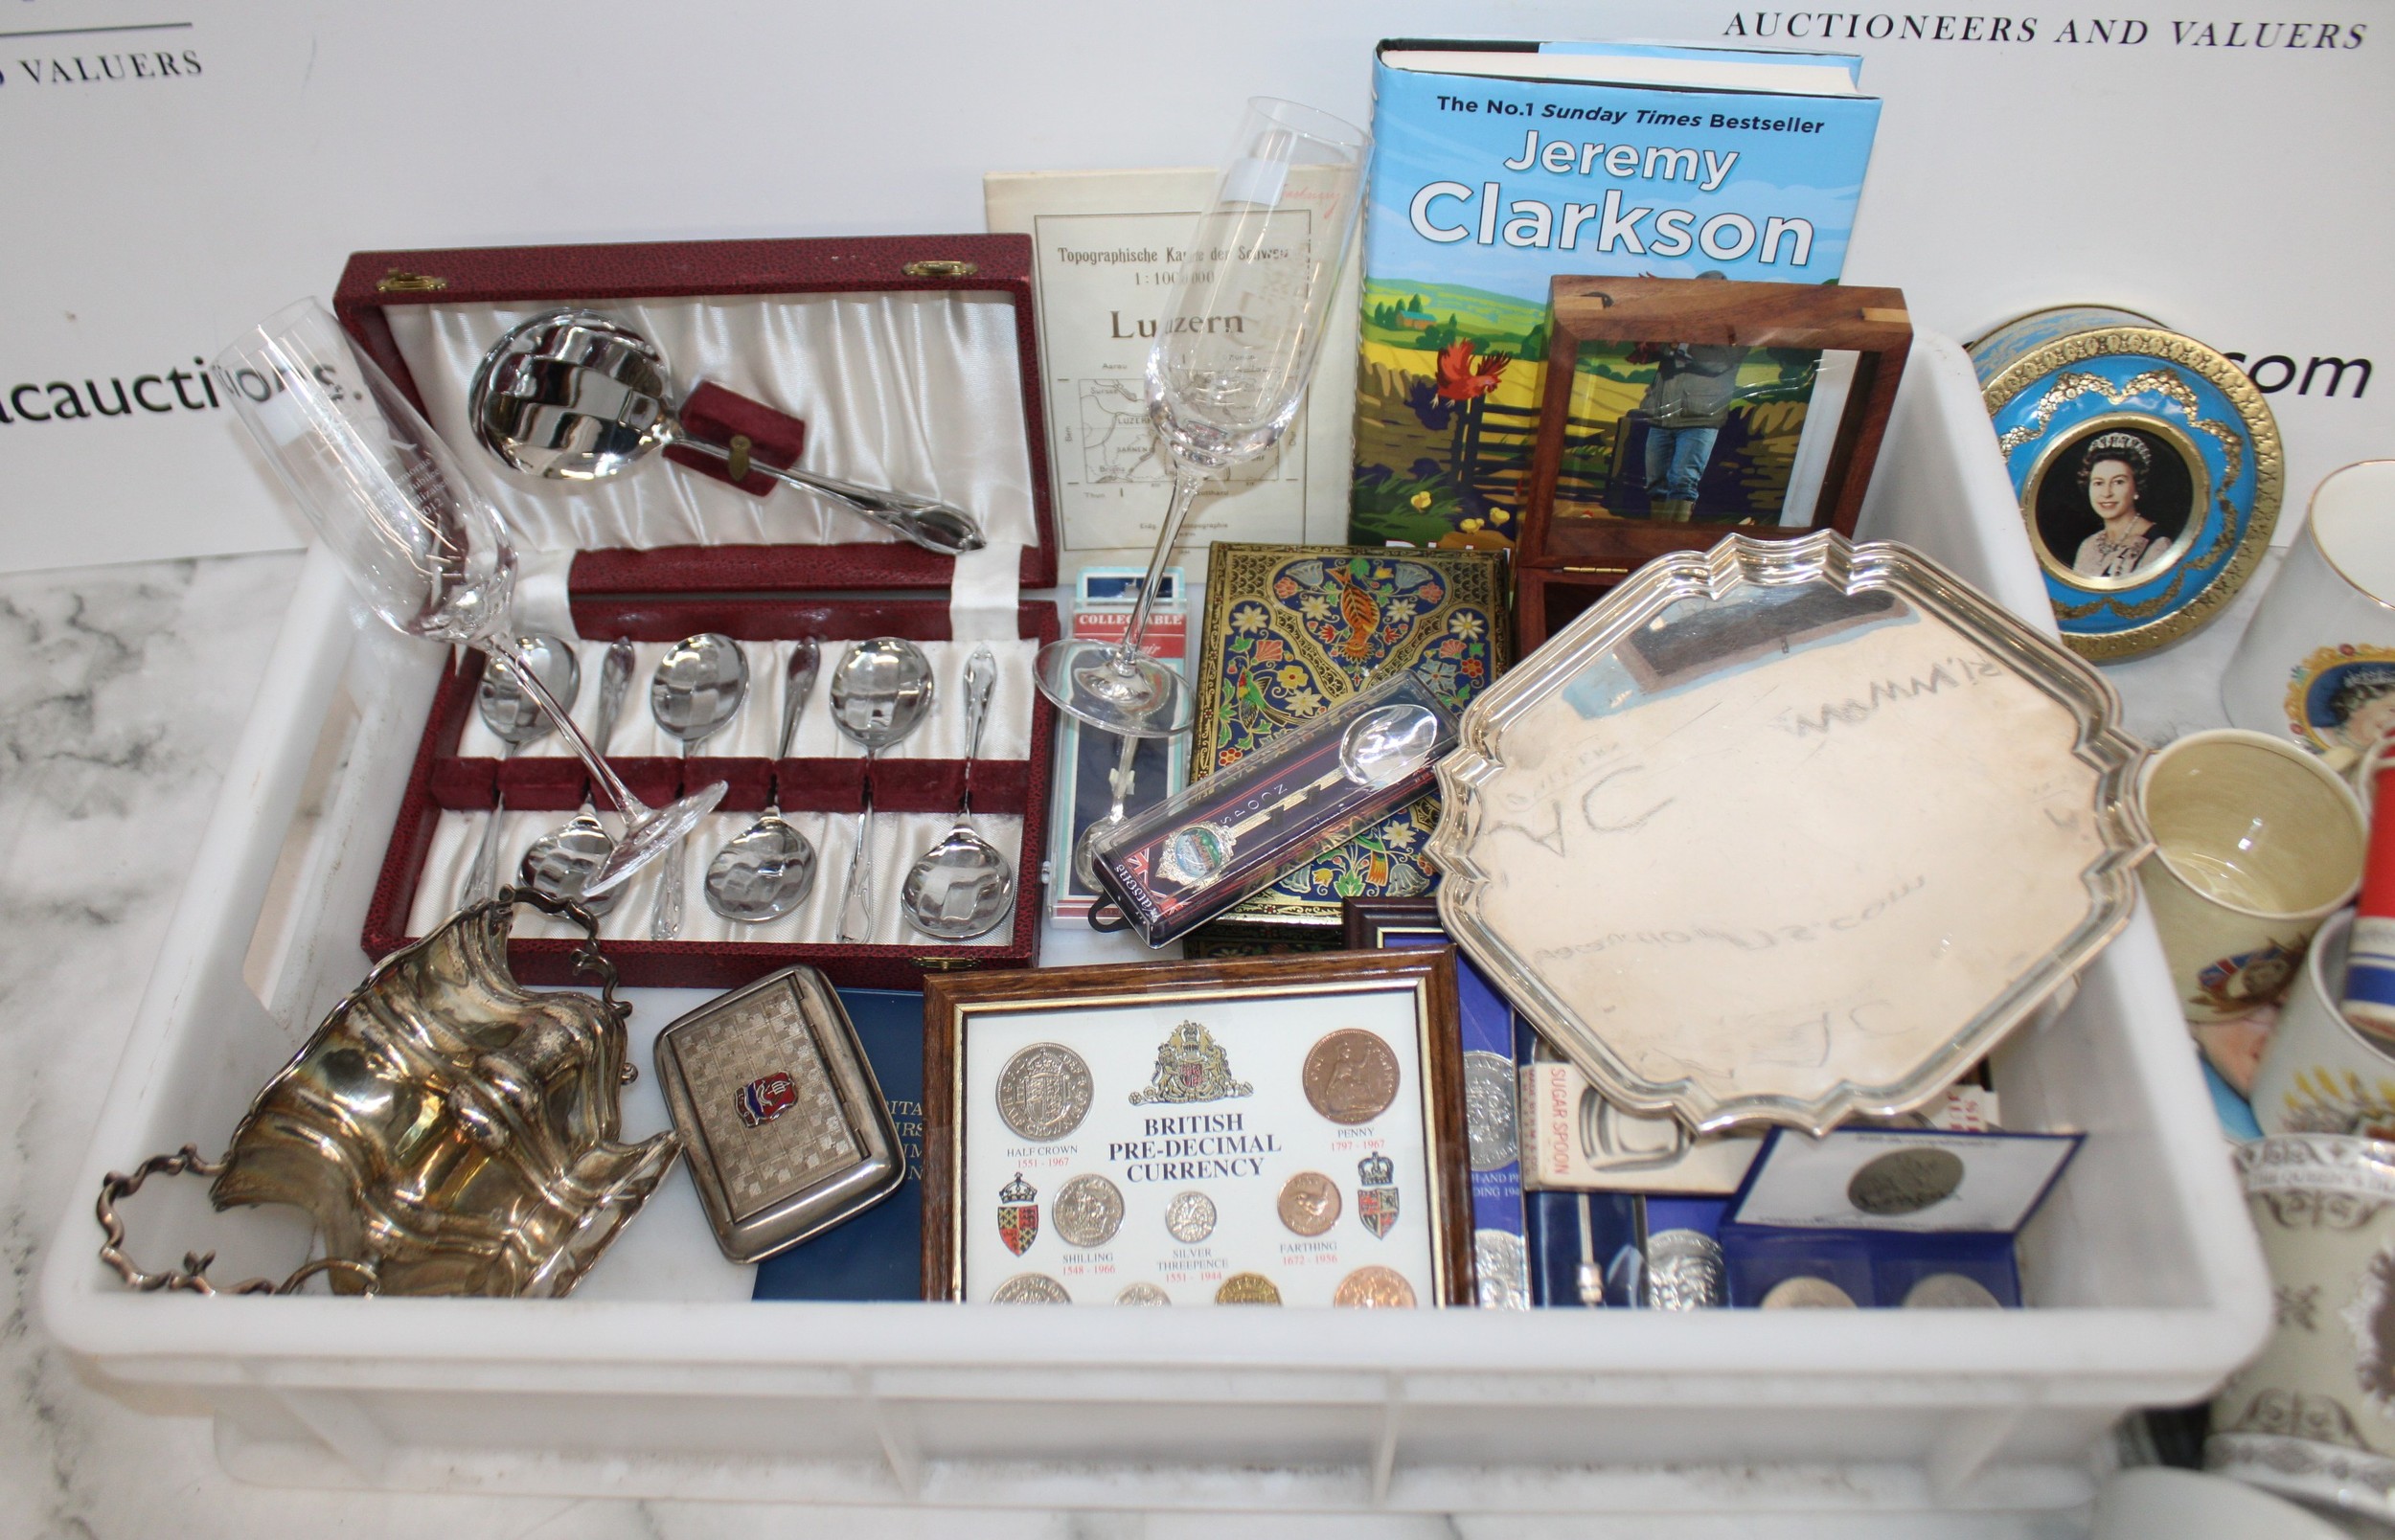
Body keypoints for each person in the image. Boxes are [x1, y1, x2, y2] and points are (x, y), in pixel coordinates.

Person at [1633, 272, 1744, 524]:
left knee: (1683, 482)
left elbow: (1718, 362)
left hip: (1699, 418)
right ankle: (1656, 534)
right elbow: (1651, 350)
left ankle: (1672, 538)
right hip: (1662, 415)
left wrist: (1679, 343)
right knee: (1656, 483)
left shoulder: (1734, 327)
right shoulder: (1681, 321)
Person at [2069, 432, 2175, 578]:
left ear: (2136, 488)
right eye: (2098, 483)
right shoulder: (2088, 545)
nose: (2106, 493)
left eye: (2118, 482)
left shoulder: (2157, 545)